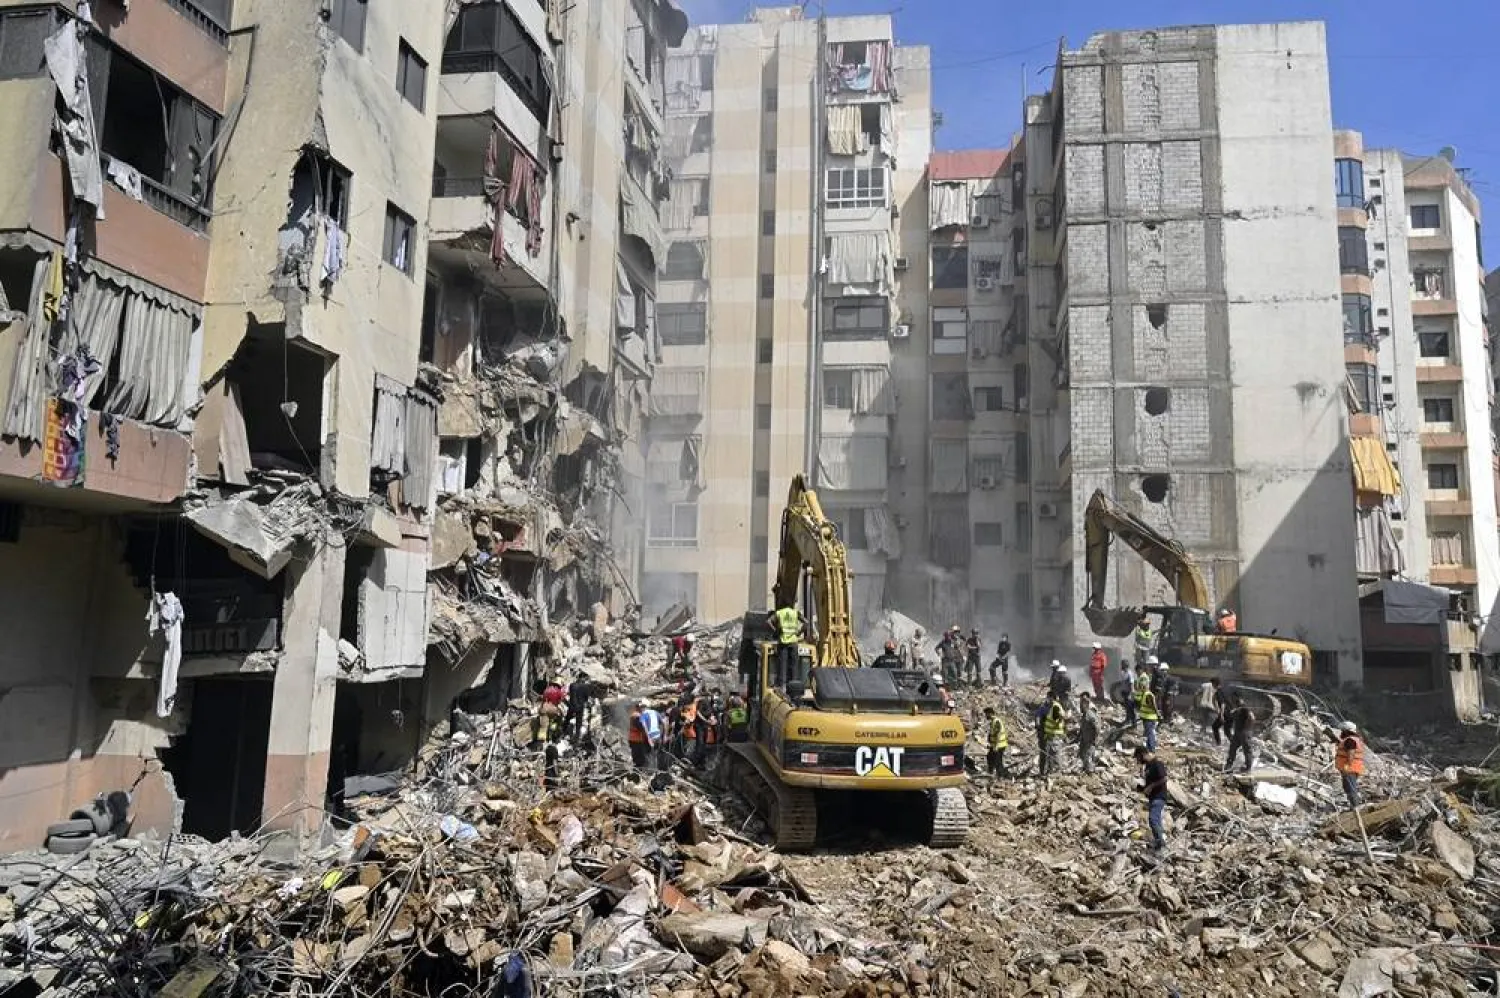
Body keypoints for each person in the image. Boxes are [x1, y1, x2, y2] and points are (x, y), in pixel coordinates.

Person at [1134, 746, 1169, 851]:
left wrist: (1151, 786)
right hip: (1153, 798)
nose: (1138, 760)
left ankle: (1160, 843)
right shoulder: (1148, 767)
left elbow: (1164, 778)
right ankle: (1160, 842)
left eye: (1138, 758)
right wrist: (1141, 788)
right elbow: (1149, 786)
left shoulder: (1157, 764)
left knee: (1153, 819)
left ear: (1143, 754)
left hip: (1159, 797)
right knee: (1157, 820)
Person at [1327, 720, 1364, 808]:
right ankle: (1354, 806)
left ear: (1347, 731)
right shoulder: (1352, 739)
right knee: (1348, 787)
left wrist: (1347, 765)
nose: (1341, 732)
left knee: (1351, 788)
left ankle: (1355, 808)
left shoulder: (1350, 741)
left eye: (1343, 730)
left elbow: (1351, 754)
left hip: (1350, 769)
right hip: (1352, 768)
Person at [1223, 694, 1255, 773]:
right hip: (1237, 732)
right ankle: (1229, 765)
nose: (1236, 702)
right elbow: (1231, 716)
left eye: (1238, 701)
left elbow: (1252, 718)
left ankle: (1248, 768)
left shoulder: (1245, 708)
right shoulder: (1237, 709)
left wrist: (1247, 727)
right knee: (1232, 748)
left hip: (1245, 732)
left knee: (1247, 750)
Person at [1038, 690, 1067, 779]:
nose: (1047, 699)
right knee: (1051, 753)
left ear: (1051, 698)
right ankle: (1051, 771)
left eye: (1048, 697)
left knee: (1055, 753)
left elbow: (1058, 718)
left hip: (1054, 734)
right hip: (1051, 734)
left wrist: (1053, 728)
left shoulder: (1055, 707)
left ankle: (1057, 771)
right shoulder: (1053, 706)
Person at [770, 605, 803, 681]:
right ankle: (793, 684)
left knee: (782, 665)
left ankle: (782, 685)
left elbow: (769, 621)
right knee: (794, 666)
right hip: (794, 641)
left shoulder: (780, 612)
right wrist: (799, 633)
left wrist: (776, 631)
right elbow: (806, 622)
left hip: (783, 641)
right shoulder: (795, 613)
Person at [1137, 675, 1161, 752]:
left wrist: (1158, 714)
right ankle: (1150, 748)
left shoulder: (1147, 694)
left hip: (1149, 718)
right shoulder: (1147, 694)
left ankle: (1151, 748)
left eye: (1143, 686)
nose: (1142, 688)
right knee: (1149, 734)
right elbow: (1151, 706)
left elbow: (1152, 706)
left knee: (1150, 734)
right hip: (1148, 718)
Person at [1077, 692, 1100, 774]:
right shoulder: (1084, 714)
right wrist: (1078, 737)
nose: (1080, 704)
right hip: (1084, 739)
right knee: (1082, 755)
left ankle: (1090, 774)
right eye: (1080, 702)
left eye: (1082, 702)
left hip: (1090, 740)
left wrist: (1095, 738)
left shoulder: (1090, 714)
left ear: (1086, 703)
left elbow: (1097, 727)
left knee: (1088, 756)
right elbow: (1082, 727)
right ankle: (1086, 769)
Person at [984, 705, 1009, 777]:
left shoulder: (997, 721)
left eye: (986, 714)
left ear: (990, 713)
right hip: (994, 745)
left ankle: (1000, 776)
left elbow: (998, 734)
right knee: (989, 757)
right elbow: (993, 733)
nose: (986, 716)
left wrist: (996, 746)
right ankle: (990, 772)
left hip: (999, 745)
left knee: (998, 761)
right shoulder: (992, 721)